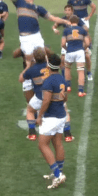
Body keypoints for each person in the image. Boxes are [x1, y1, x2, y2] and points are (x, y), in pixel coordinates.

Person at [0, 0, 69, 102]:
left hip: (36, 36)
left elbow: (52, 17)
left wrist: (65, 21)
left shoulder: (38, 8)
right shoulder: (19, 2)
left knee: (45, 56)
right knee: (29, 61)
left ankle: (56, 77)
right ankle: (31, 84)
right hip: (24, 38)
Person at [36, 54, 67, 189]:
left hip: (51, 117)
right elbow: (65, 98)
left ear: (49, 66)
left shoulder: (48, 81)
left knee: (42, 145)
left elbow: (46, 100)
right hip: (61, 115)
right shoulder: (62, 79)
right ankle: (58, 172)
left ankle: (58, 174)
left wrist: (39, 115)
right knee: (58, 143)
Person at [67, 0, 96, 80]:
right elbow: (68, 9)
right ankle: (67, 76)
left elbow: (93, 6)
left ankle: (89, 72)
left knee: (85, 34)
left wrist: (89, 16)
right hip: (75, 21)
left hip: (83, 20)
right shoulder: (71, 0)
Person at [61, 15, 90, 97]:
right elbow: (87, 43)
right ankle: (80, 91)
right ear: (78, 22)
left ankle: (68, 87)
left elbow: (63, 43)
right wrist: (83, 49)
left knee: (67, 68)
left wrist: (66, 49)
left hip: (69, 51)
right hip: (80, 52)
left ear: (70, 21)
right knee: (80, 71)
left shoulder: (66, 30)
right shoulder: (82, 30)